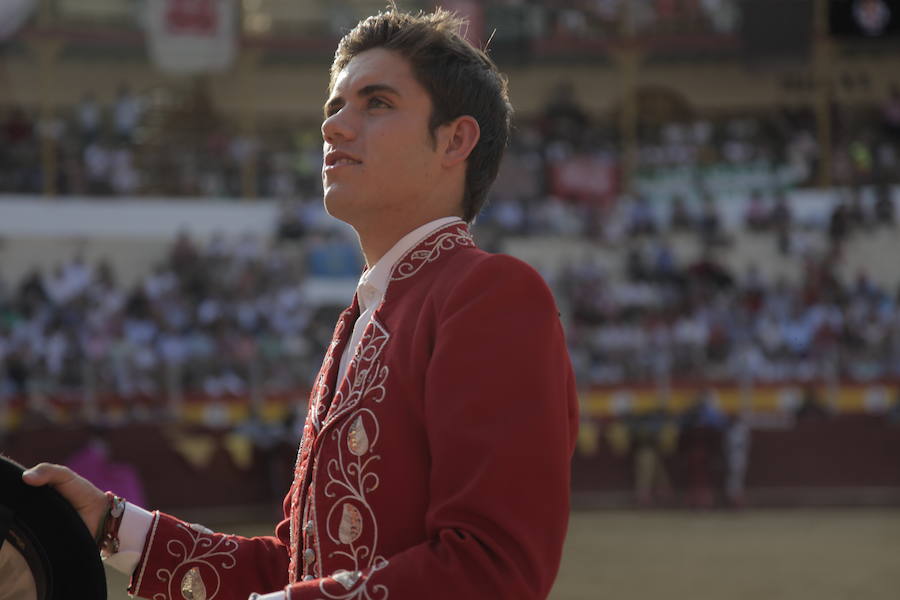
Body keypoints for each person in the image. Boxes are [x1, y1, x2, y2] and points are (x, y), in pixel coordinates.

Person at [22, 7, 579, 600]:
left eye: (377, 103)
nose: (334, 127)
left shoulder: (489, 295)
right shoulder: (363, 318)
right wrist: (112, 527)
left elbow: (495, 573)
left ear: (455, 139)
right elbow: (294, 571)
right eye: (334, 107)